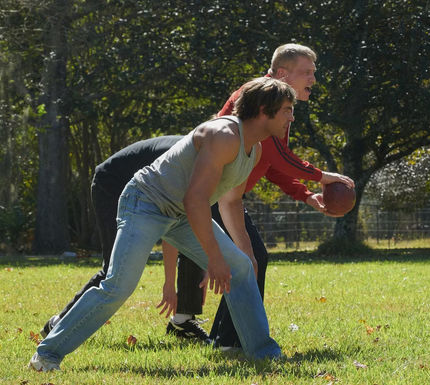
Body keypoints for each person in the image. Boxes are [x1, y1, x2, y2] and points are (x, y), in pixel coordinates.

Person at [28, 77, 292, 371]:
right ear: (264, 110)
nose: (292, 117)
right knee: (119, 285)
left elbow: (229, 202)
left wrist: (246, 254)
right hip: (145, 204)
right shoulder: (224, 135)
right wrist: (214, 258)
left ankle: (263, 353)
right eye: (286, 110)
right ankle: (47, 354)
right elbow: (196, 199)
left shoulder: (252, 150)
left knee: (241, 269)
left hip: (179, 214)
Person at [204, 43, 354, 350]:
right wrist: (322, 176)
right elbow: (279, 155)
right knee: (251, 259)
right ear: (283, 73)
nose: (313, 79)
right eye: (307, 72)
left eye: (314, 72)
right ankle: (230, 341)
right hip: (208, 195)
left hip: (226, 196)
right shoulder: (259, 98)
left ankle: (224, 339)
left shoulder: (280, 104)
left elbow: (271, 164)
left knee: (249, 259)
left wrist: (307, 195)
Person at [39, 136, 212, 343]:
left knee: (192, 236)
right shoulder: (192, 159)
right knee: (115, 269)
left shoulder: (209, 157)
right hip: (112, 183)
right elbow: (172, 225)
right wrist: (168, 284)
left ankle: (182, 320)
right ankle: (58, 324)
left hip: (140, 187)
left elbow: (186, 225)